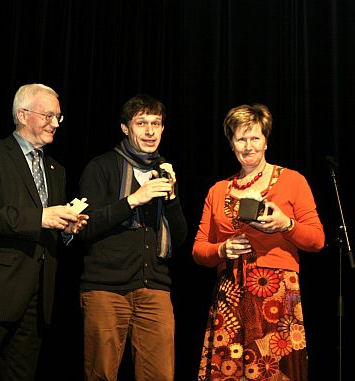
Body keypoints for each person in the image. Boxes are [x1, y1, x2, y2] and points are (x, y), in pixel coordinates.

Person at [0, 83, 88, 381]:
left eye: (58, 117)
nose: (55, 124)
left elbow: (46, 226)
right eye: (48, 116)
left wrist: (66, 227)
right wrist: (41, 217)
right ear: (22, 114)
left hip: (36, 301)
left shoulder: (56, 169)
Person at [192, 103, 325, 380]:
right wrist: (222, 249)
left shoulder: (292, 180)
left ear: (266, 141)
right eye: (241, 138)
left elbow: (317, 240)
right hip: (230, 295)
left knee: (272, 370)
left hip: (277, 294)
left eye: (255, 138)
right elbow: (198, 249)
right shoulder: (218, 191)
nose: (249, 145)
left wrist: (286, 225)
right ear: (231, 144)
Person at [78, 93, 187, 381]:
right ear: (126, 128)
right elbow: (85, 227)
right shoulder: (101, 167)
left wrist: (173, 198)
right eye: (142, 123)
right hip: (106, 289)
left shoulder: (164, 171)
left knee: (160, 375)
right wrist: (133, 201)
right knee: (101, 374)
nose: (150, 131)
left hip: (155, 289)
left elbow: (180, 237)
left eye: (156, 123)